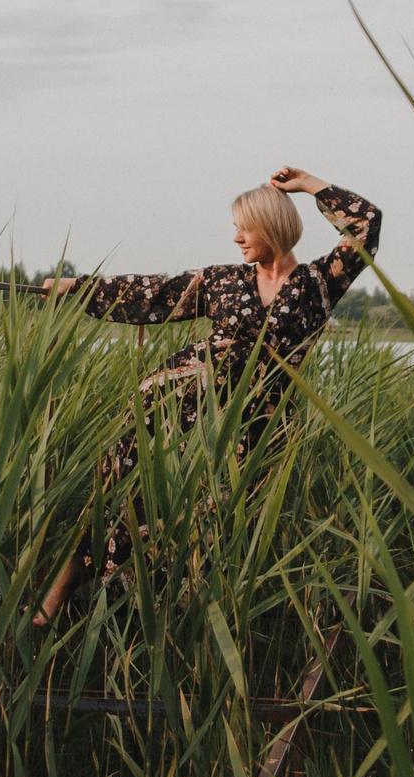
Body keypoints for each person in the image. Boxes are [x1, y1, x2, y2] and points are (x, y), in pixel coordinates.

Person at [31, 165, 383, 625]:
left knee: (210, 521)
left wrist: (308, 183)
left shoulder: (319, 283)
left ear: (271, 225)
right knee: (117, 486)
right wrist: (77, 290)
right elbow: (152, 294)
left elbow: (366, 223)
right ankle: (61, 588)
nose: (236, 237)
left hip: (255, 423)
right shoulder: (221, 281)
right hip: (177, 400)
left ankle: (158, 607)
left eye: (244, 227)